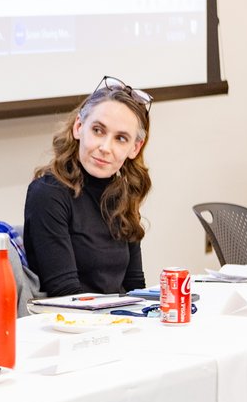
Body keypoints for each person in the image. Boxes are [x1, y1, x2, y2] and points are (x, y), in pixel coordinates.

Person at [23, 75, 152, 297]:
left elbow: (135, 286)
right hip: (71, 316)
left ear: (135, 148)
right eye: (98, 130)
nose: (105, 147)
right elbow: (66, 294)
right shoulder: (48, 194)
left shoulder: (122, 194)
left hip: (117, 315)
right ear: (78, 127)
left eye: (121, 138)